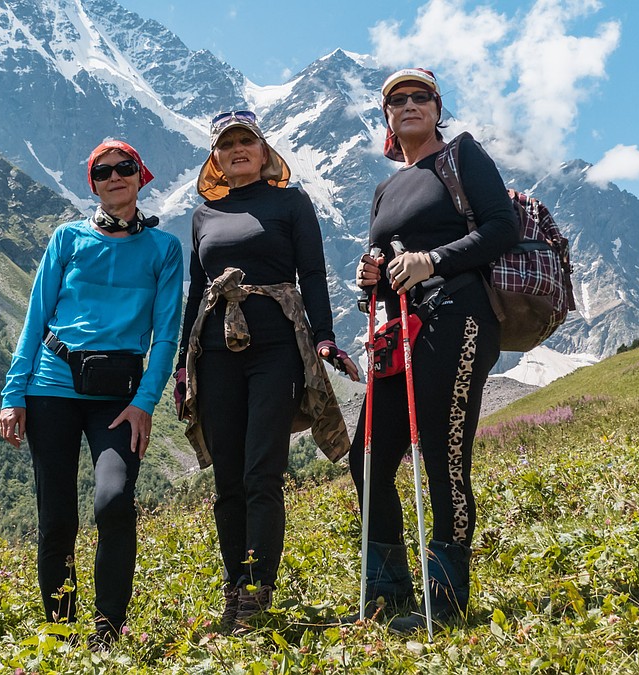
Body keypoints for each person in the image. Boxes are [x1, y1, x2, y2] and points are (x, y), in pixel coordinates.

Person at [349, 68, 519, 633]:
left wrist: (434, 260)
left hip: (459, 316)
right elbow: (382, 271)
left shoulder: (463, 156)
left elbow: (502, 228)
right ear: (388, 118)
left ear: (438, 108)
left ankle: (444, 601)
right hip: (402, 330)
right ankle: (387, 588)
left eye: (421, 96)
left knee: (443, 454)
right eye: (397, 100)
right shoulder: (384, 189)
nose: (409, 104)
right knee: (368, 455)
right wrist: (372, 275)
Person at [175, 110, 359, 631]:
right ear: (216, 157)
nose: (237, 149)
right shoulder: (203, 214)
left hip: (277, 347)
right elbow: (197, 293)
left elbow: (313, 273)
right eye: (227, 143)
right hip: (214, 351)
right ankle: (234, 589)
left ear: (263, 151)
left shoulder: (290, 203)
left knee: (262, 472)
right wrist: (182, 371)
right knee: (228, 478)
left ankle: (258, 591)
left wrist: (323, 337)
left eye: (246, 142)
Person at [0, 140, 183, 649]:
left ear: (140, 176)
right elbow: (35, 319)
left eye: (125, 168)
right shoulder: (66, 239)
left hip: (118, 398)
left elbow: (166, 336)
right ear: (94, 184)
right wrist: (14, 394)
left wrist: (145, 402)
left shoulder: (164, 251)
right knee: (56, 516)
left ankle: (106, 634)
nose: (114, 177)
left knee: (114, 502)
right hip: (51, 389)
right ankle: (60, 630)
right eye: (103, 172)